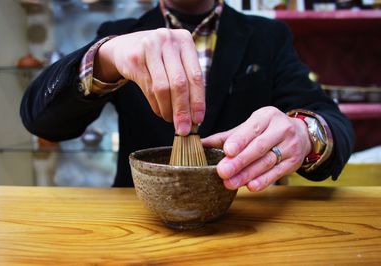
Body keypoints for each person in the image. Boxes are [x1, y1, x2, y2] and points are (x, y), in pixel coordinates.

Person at [20, 0, 354, 191]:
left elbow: (332, 120)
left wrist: (306, 133)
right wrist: (106, 57)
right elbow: (42, 121)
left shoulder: (268, 36)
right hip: (141, 218)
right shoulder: (118, 34)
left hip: (245, 216)